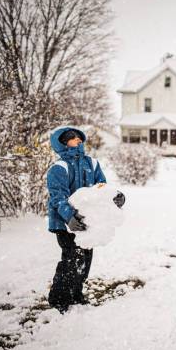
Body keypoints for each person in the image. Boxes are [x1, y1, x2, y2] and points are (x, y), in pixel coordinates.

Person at [46, 126, 125, 313]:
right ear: (63, 143)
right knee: (71, 259)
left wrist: (117, 197)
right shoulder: (59, 168)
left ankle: (76, 294)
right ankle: (59, 299)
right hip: (65, 223)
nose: (78, 140)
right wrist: (69, 217)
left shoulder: (92, 163)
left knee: (85, 260)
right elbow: (57, 197)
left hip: (89, 222)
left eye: (78, 137)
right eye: (72, 138)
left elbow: (102, 188)